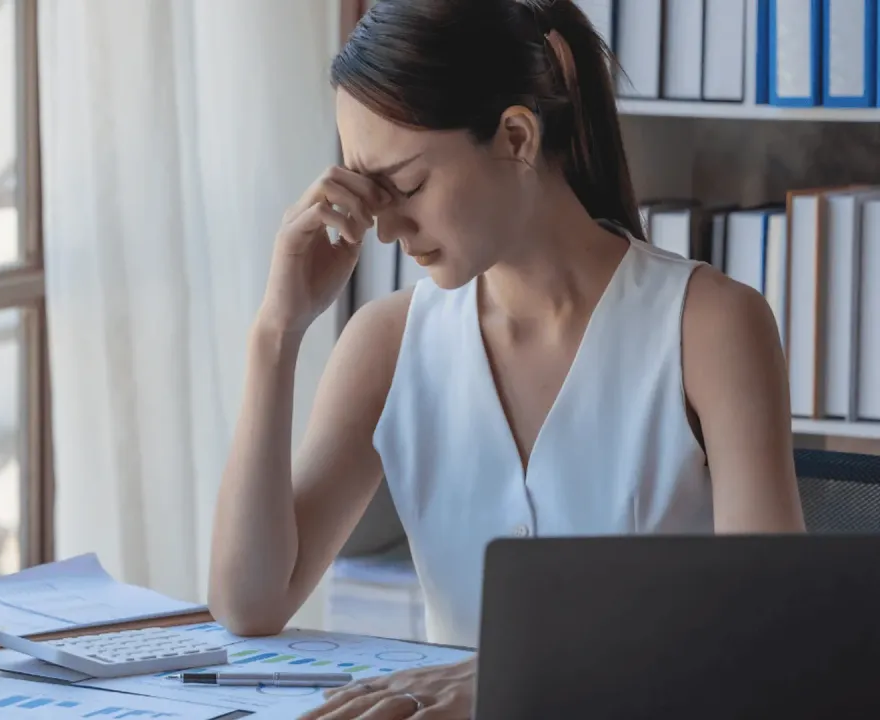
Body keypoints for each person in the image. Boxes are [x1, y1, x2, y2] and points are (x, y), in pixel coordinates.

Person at [207, 0, 807, 717]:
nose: (388, 228)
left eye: (407, 185)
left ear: (517, 137)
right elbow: (250, 604)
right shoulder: (386, 343)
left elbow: (775, 627)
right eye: (369, 192)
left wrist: (519, 676)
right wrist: (277, 331)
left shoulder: (709, 327)